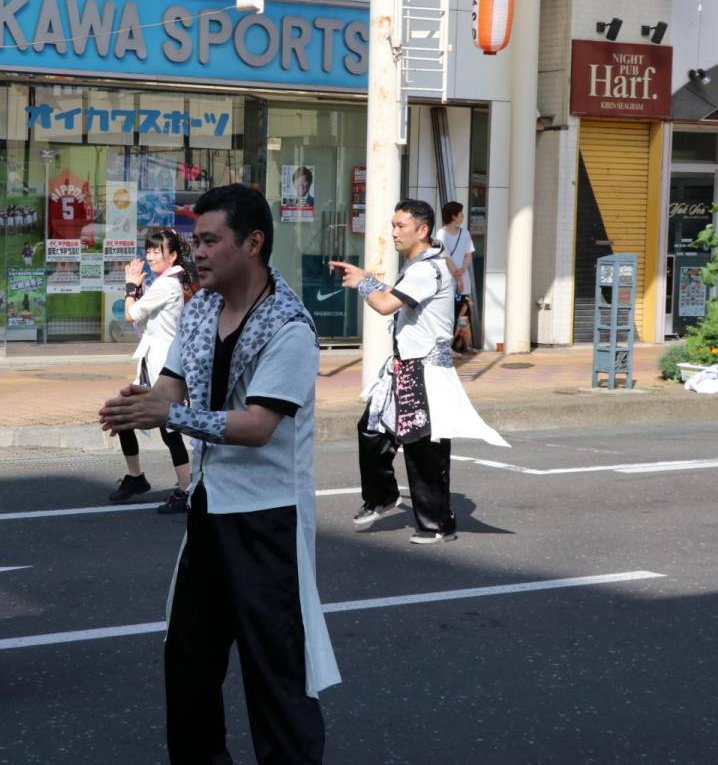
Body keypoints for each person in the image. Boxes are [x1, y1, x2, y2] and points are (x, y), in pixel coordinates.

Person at [99, 184, 339, 763]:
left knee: (275, 672)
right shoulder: (201, 307)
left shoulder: (289, 325)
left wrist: (169, 413)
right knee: (187, 661)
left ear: (253, 243)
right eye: (194, 240)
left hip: (267, 517)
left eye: (210, 240)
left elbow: (259, 425)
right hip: (210, 507)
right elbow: (170, 384)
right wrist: (143, 401)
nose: (197, 253)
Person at [330, 199, 509, 545]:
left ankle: (437, 523)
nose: (393, 232)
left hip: (425, 372)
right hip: (405, 368)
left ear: (422, 230)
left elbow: (385, 305)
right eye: (393, 225)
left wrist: (363, 283)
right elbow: (392, 297)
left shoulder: (428, 269)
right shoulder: (417, 266)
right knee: (371, 430)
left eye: (401, 226)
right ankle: (383, 497)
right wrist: (367, 278)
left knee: (423, 448)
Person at [108, 229, 194, 514]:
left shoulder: (167, 285)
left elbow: (131, 313)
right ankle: (138, 478)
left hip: (163, 365)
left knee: (167, 428)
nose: (152, 255)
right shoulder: (167, 281)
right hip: (154, 362)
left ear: (173, 256)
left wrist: (130, 287)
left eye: (158, 251)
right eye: (149, 250)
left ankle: (185, 488)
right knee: (126, 416)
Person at [434, 201, 478, 355]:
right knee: (449, 313)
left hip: (461, 278)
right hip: (449, 280)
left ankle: (464, 344)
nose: (463, 216)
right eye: (460, 213)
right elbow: (445, 257)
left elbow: (468, 254)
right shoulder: (441, 233)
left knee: (463, 313)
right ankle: (446, 346)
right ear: (454, 216)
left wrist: (462, 270)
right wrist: (457, 274)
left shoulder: (465, 233)